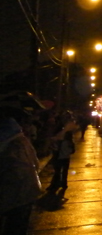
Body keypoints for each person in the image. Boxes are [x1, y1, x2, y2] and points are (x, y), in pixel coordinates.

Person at [0, 97, 42, 235]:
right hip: (26, 193)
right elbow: (35, 163)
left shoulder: (9, 143)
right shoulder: (22, 141)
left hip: (13, 195)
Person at [48, 115, 77, 192]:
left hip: (59, 158)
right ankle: (64, 184)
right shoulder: (70, 143)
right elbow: (73, 151)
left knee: (57, 172)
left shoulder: (61, 142)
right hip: (66, 158)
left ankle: (55, 185)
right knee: (64, 172)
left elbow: (55, 148)